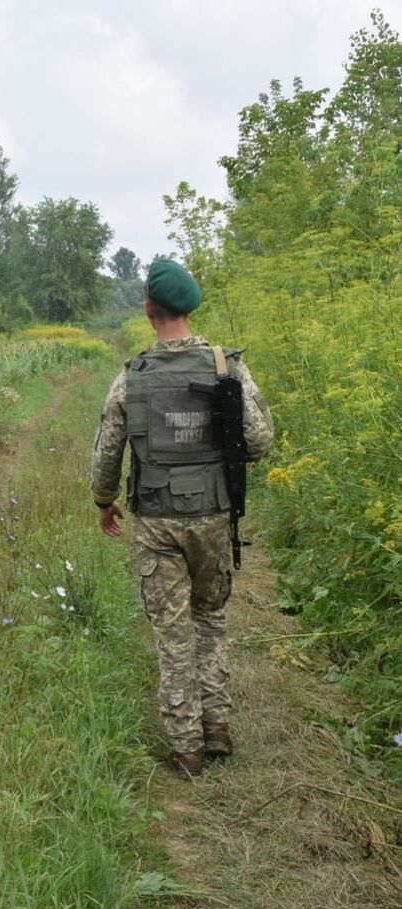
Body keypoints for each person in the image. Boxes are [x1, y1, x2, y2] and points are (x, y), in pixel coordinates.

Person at [91, 259, 274, 779]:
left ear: (148, 309)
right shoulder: (226, 369)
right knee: (210, 620)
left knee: (172, 634)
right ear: (191, 306)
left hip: (157, 521)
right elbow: (260, 440)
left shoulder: (131, 377)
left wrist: (104, 499)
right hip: (212, 515)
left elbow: (108, 452)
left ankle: (185, 749)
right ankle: (216, 730)